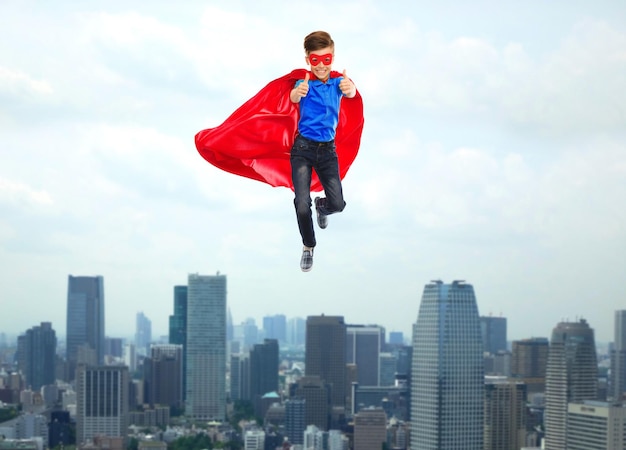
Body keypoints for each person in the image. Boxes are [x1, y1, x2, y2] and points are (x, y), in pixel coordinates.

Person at [289, 31, 357, 272]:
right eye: (315, 60)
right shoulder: (303, 84)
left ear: (333, 57)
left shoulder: (339, 83)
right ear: (308, 59)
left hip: (328, 152)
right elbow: (294, 97)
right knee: (300, 203)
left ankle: (322, 206)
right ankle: (308, 246)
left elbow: (350, 92)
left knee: (338, 204)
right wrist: (297, 93)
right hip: (303, 150)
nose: (320, 66)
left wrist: (350, 89)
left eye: (326, 60)